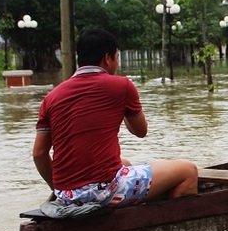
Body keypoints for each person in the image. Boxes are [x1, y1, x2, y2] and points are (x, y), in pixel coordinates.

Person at [33, 28, 199, 207]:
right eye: (117, 57)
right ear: (107, 58)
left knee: (125, 163)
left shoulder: (51, 98)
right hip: (104, 191)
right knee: (189, 171)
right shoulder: (121, 86)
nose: (117, 63)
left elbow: (39, 154)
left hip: (66, 195)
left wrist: (63, 191)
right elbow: (140, 131)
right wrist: (123, 104)